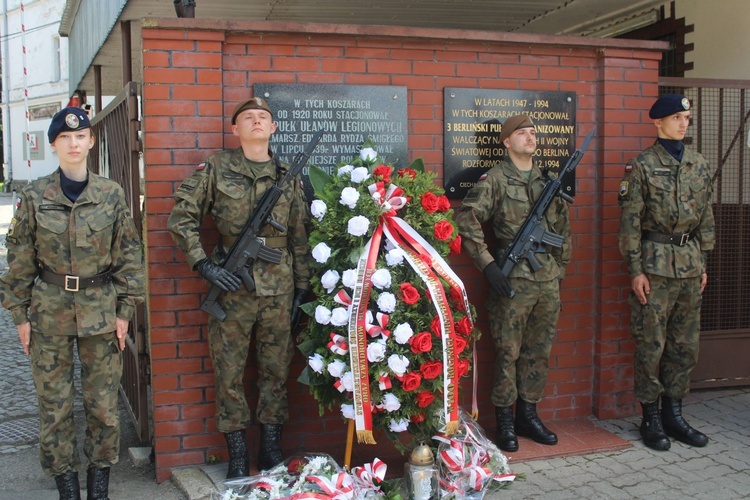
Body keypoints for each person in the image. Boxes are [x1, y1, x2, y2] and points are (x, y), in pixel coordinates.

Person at [0, 106, 145, 500]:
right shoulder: (33, 195)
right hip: (49, 314)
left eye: (80, 136)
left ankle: (99, 488)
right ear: (54, 145)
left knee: (102, 407)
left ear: (91, 141)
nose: (74, 143)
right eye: (65, 138)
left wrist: (125, 311)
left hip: (101, 313)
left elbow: (129, 256)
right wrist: (19, 315)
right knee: (55, 408)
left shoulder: (111, 194)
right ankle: (67, 488)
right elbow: (20, 259)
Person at [167, 97, 311, 476]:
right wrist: (204, 265)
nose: (256, 121)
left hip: (278, 291)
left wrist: (302, 289)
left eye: (263, 117)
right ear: (235, 129)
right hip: (230, 288)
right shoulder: (216, 168)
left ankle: (269, 452)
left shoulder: (286, 173)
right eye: (248, 117)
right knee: (229, 373)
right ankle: (237, 456)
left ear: (273, 127)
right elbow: (181, 219)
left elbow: (298, 235)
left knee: (275, 372)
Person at [455, 114, 571, 452]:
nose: (530, 138)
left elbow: (563, 231)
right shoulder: (495, 180)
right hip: (513, 279)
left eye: (534, 133)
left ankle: (528, 415)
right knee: (508, 352)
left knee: (538, 352)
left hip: (547, 280)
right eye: (522, 133)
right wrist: (489, 266)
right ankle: (505, 421)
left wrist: (559, 270)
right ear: (507, 141)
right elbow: (467, 219)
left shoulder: (546, 181)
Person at [618, 94, 715, 451]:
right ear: (657, 122)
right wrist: (635, 271)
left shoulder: (698, 164)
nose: (683, 123)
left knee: (684, 344)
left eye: (686, 118)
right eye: (676, 117)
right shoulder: (642, 165)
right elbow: (629, 223)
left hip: (690, 267)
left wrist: (703, 262)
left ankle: (674, 413)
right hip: (655, 267)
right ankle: (651, 416)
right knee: (651, 344)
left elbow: (705, 216)